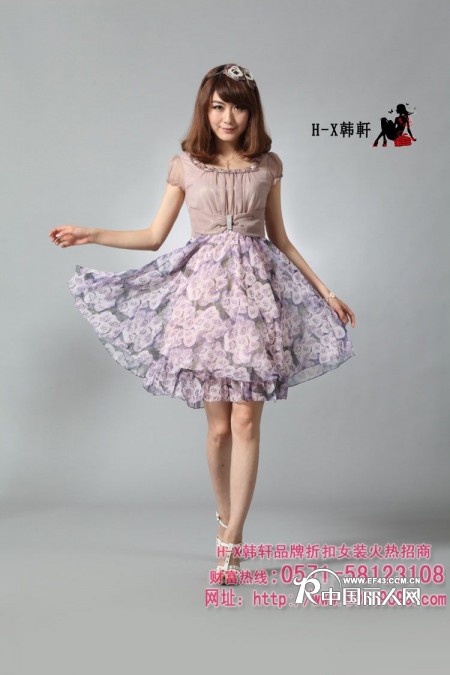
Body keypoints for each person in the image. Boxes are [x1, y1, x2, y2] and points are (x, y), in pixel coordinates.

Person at [49, 63, 356, 586]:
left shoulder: (268, 166)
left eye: (237, 106)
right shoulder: (186, 165)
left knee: (246, 422)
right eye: (217, 106)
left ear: (251, 112)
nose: (227, 116)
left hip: (255, 304)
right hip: (204, 306)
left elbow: (280, 239)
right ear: (204, 110)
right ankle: (223, 517)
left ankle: (232, 540)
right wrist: (91, 233)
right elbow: (153, 236)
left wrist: (325, 292)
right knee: (218, 430)